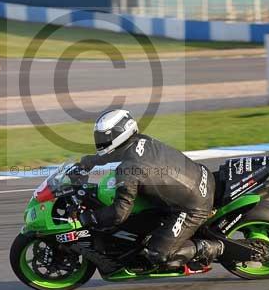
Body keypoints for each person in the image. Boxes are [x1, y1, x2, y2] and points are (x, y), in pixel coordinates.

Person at [76, 109, 225, 272]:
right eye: (99, 137)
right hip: (200, 177)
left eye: (104, 137)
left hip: (194, 205)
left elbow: (119, 213)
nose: (101, 141)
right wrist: (85, 163)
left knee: (158, 254)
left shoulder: (128, 170)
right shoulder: (140, 141)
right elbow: (111, 156)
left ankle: (213, 247)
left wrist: (91, 217)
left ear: (118, 134)